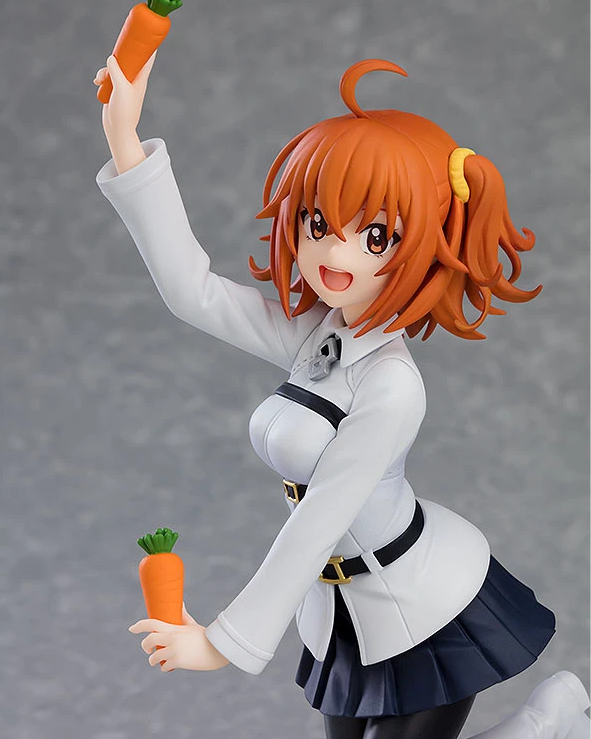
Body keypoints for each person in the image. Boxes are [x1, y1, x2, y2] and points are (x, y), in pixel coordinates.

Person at [94, 53, 589, 739]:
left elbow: (321, 516)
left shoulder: (392, 385)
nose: (335, 253)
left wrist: (221, 641)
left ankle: (543, 726)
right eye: (318, 223)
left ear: (426, 245)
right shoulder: (316, 336)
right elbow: (194, 293)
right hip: (343, 612)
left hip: (422, 602)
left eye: (376, 235)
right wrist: (125, 139)